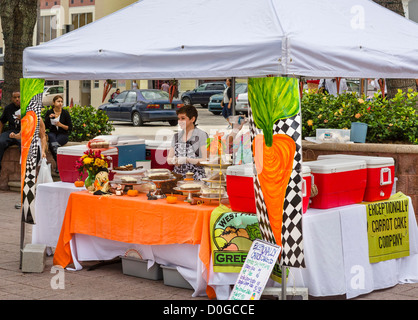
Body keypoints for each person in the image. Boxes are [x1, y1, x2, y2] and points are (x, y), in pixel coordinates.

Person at [167, 105, 208, 180]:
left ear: (192, 119)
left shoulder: (201, 135)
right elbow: (169, 159)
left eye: (183, 118)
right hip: (178, 178)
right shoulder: (176, 136)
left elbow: (205, 160)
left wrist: (188, 160)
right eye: (179, 119)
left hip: (196, 178)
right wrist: (173, 160)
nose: (180, 122)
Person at [44, 95, 72, 173]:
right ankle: (59, 165)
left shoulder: (65, 113)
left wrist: (60, 125)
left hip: (63, 134)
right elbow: (45, 126)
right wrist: (49, 118)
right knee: (52, 138)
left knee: (53, 145)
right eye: (58, 101)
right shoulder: (49, 112)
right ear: (53, 103)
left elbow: (69, 128)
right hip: (52, 133)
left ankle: (58, 165)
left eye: (61, 101)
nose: (60, 103)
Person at [0, 91, 22, 173]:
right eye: (15, 97)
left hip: (22, 131)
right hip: (11, 131)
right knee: (1, 141)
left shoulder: (27, 107)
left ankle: (25, 168)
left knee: (23, 144)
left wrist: (22, 118)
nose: (17, 99)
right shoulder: (8, 108)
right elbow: (2, 121)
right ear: (12, 98)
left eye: (18, 97)